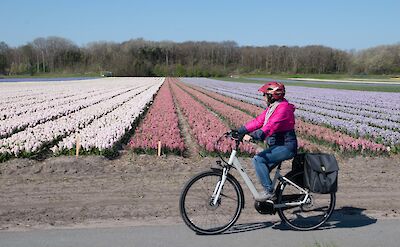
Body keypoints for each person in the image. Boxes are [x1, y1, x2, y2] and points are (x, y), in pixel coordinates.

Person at [236, 81, 298, 201]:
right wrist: (241, 130)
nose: (263, 97)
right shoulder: (273, 108)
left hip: (286, 146)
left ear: (272, 96)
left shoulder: (283, 109)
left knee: (258, 160)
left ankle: (270, 192)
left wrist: (254, 136)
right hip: (277, 145)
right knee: (262, 169)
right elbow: (258, 121)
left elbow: (270, 126)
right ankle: (271, 202)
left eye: (265, 95)